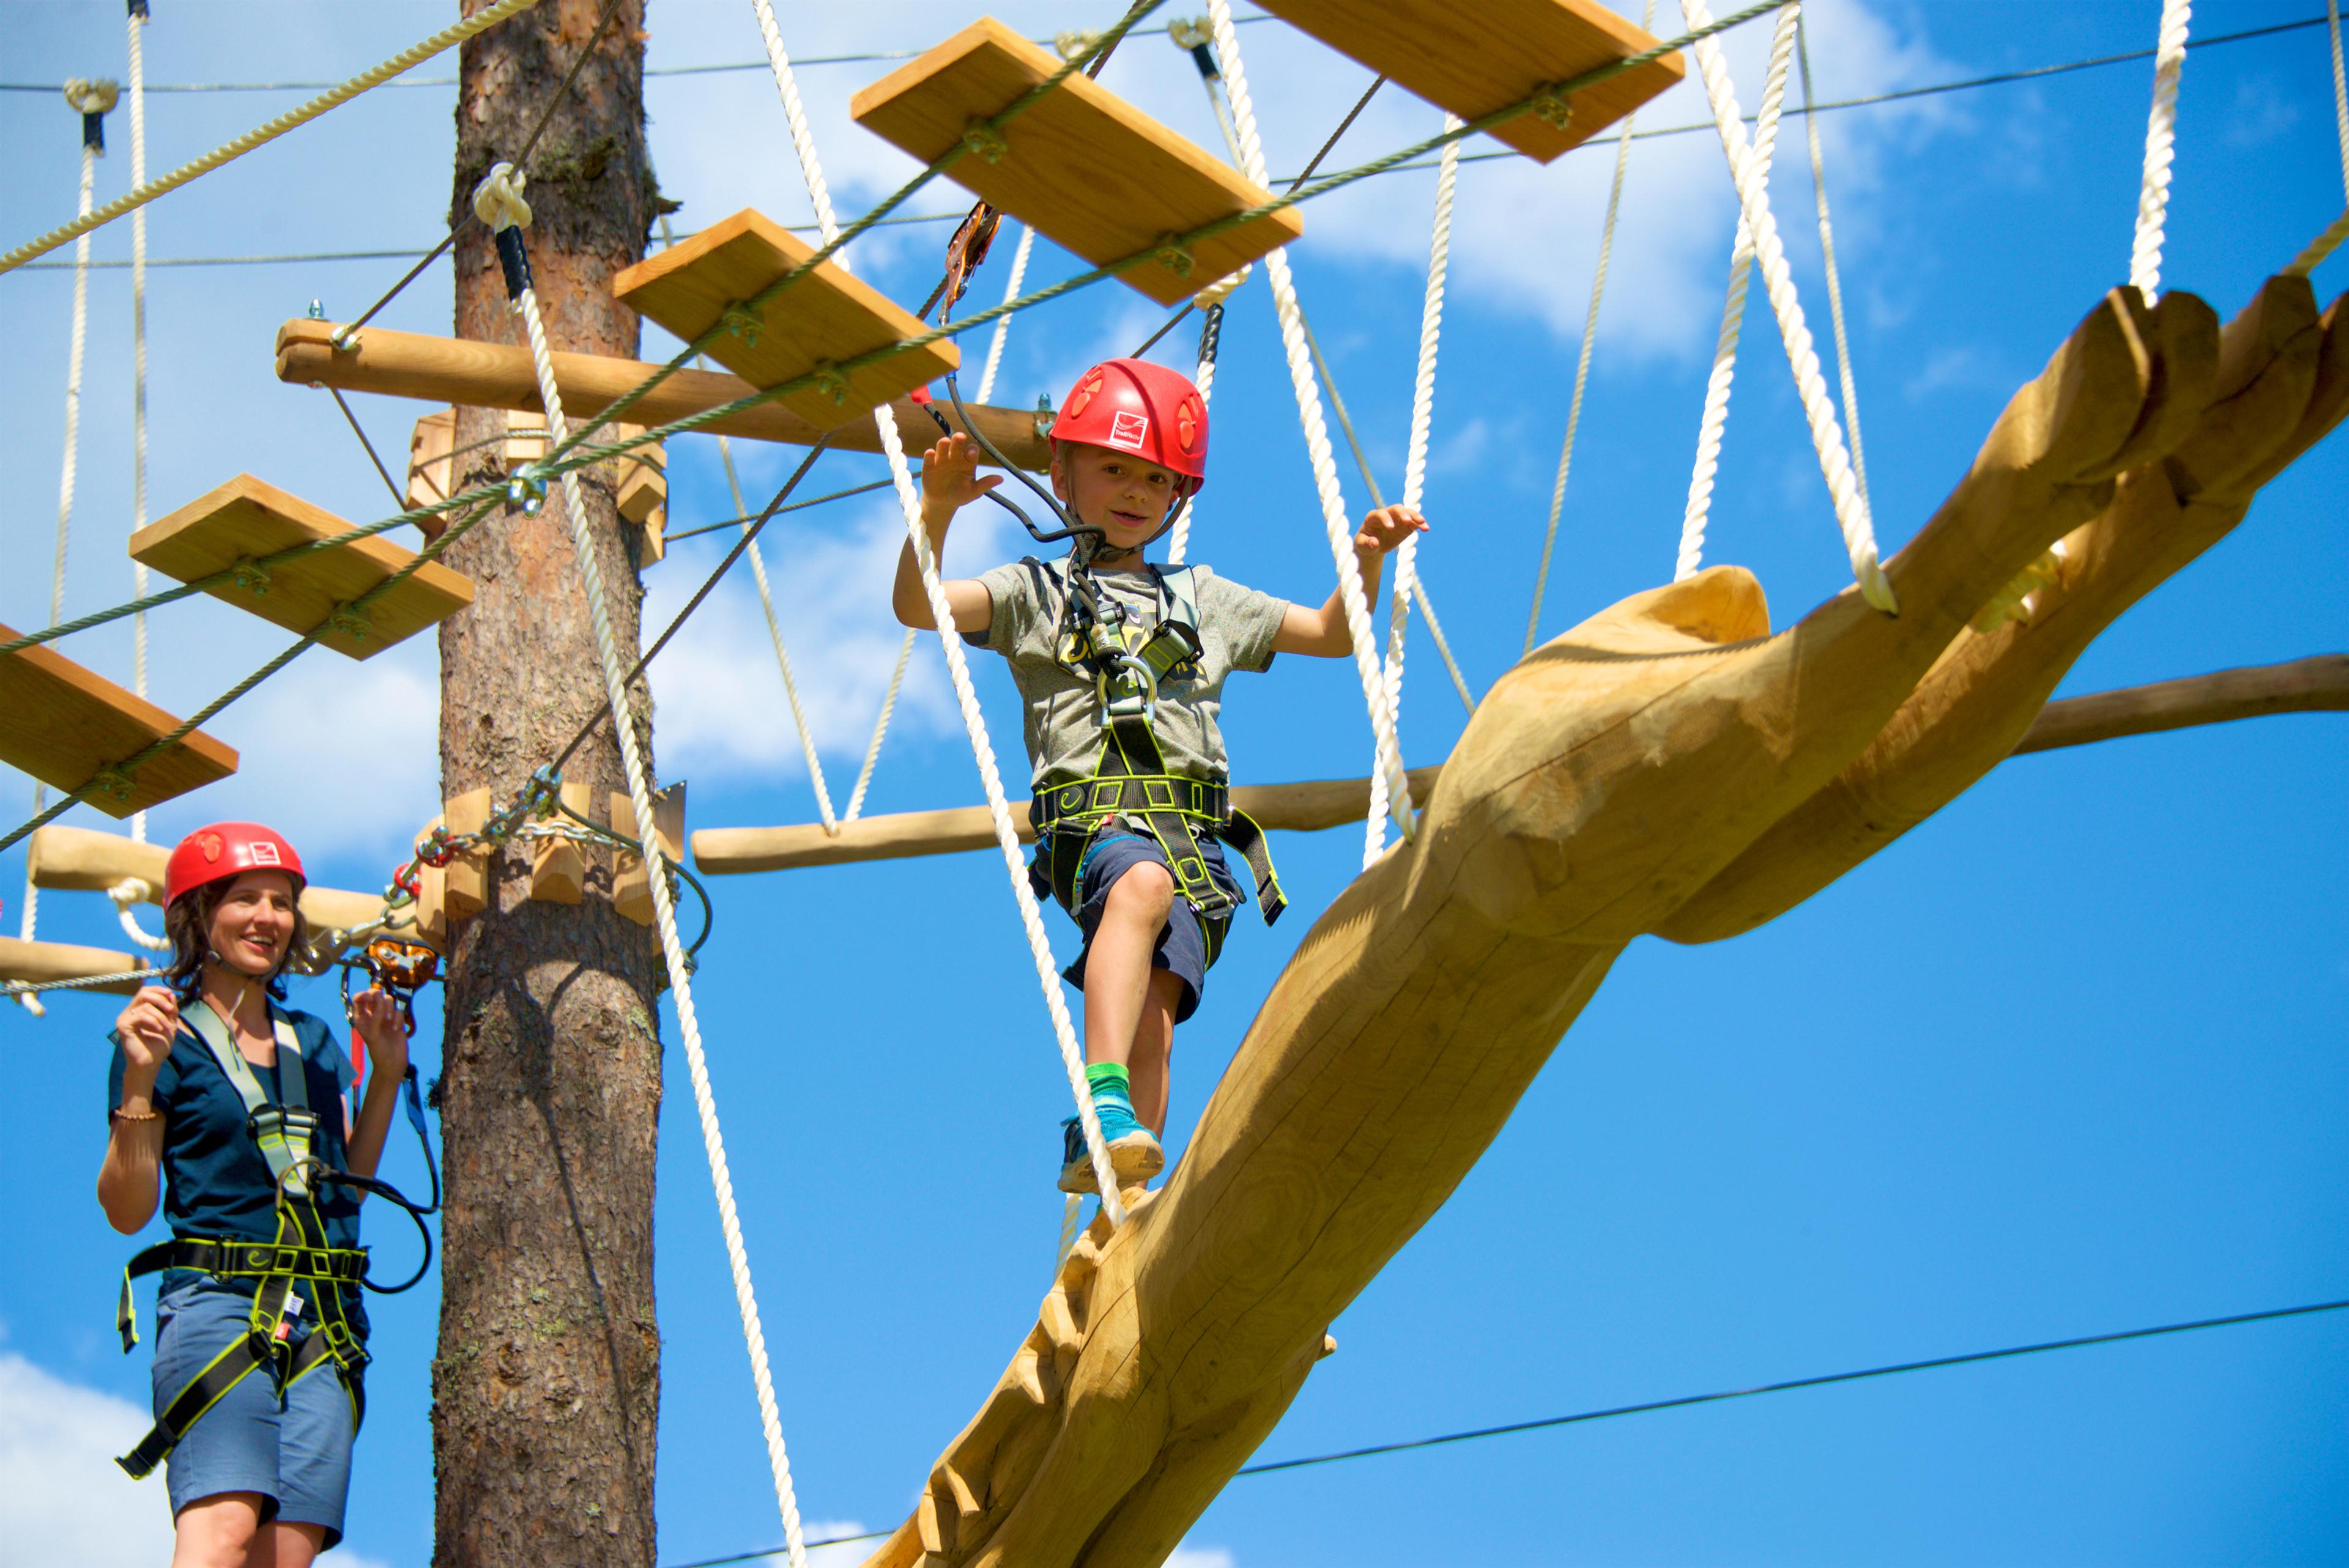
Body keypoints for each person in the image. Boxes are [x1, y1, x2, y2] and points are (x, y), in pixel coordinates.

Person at [891, 357, 1425, 1196]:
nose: (1136, 492)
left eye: (1156, 478)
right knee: (1137, 889)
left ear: (1179, 494)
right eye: (1113, 469)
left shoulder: (1201, 598)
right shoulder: (1035, 592)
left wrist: (1366, 560)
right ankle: (1102, 1103)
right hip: (1096, 827)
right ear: (1061, 473)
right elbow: (921, 606)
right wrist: (936, 511)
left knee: (1158, 1021)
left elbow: (1331, 632)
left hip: (1196, 844)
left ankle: (1122, 1182)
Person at [99, 823, 411, 1568]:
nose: (268, 916)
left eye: (281, 901)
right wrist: (141, 1077)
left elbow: (343, 1186)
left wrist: (389, 1073)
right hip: (218, 1299)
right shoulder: (162, 1037)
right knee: (223, 1533)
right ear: (198, 915)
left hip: (326, 1318)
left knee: (285, 1553)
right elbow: (127, 1209)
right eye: (245, 898)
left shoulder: (312, 1040)